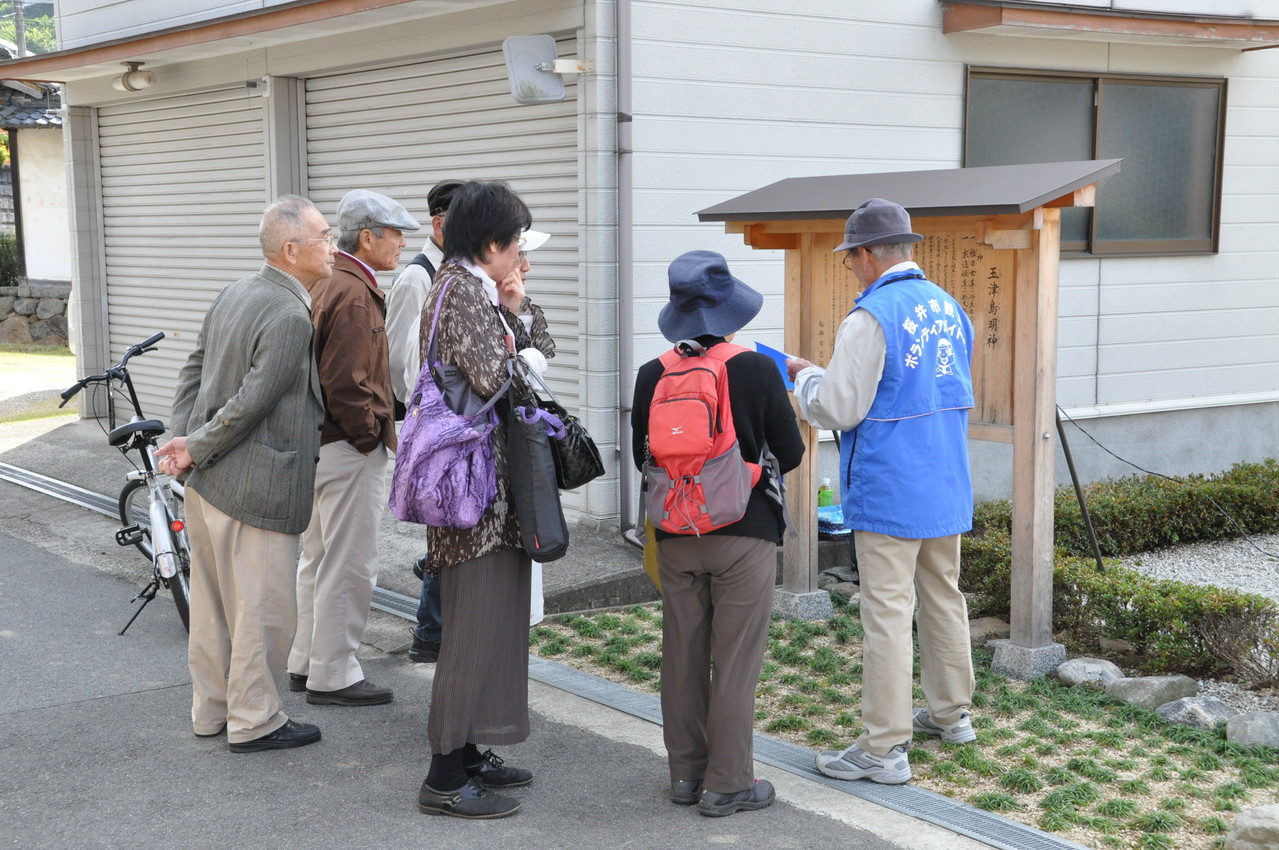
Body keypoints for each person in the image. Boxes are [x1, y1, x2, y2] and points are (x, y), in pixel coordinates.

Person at [785, 198, 977, 785]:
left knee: (888, 611)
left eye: (851, 258)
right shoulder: (948, 306)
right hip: (945, 477)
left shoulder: (870, 318)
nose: (851, 267)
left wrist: (804, 376)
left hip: (891, 483)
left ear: (868, 255)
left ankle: (885, 748)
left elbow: (838, 407)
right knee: (943, 594)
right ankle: (952, 715)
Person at [631, 250, 804, 817]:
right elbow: (792, 453)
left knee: (681, 653)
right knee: (734, 660)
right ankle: (729, 783)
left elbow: (642, 457)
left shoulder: (652, 373)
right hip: (743, 531)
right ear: (729, 310)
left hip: (676, 535)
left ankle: (685, 776)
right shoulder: (754, 368)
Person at [156, 195, 332, 752]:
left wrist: (183, 440)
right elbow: (253, 400)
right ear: (291, 249)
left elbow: (194, 368)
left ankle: (212, 712)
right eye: (324, 236)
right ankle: (255, 720)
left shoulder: (235, 292)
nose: (334, 245)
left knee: (211, 608)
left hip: (209, 485)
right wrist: (193, 446)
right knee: (262, 611)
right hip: (254, 484)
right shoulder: (288, 312)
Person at [415, 180, 554, 820]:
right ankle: (445, 773)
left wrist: (519, 312)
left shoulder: (476, 290)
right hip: (474, 495)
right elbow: (509, 380)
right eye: (517, 242)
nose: (521, 255)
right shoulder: (461, 293)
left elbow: (538, 353)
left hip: (490, 492)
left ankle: (470, 753)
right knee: (471, 629)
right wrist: (517, 343)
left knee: (492, 621)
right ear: (492, 243)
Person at [286, 190, 419, 707]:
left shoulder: (332, 282)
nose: (402, 243)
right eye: (396, 233)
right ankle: (335, 673)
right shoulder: (355, 291)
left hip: (326, 443)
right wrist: (369, 436)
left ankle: (307, 660)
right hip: (348, 445)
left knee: (318, 558)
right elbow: (345, 382)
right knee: (349, 561)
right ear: (368, 237)